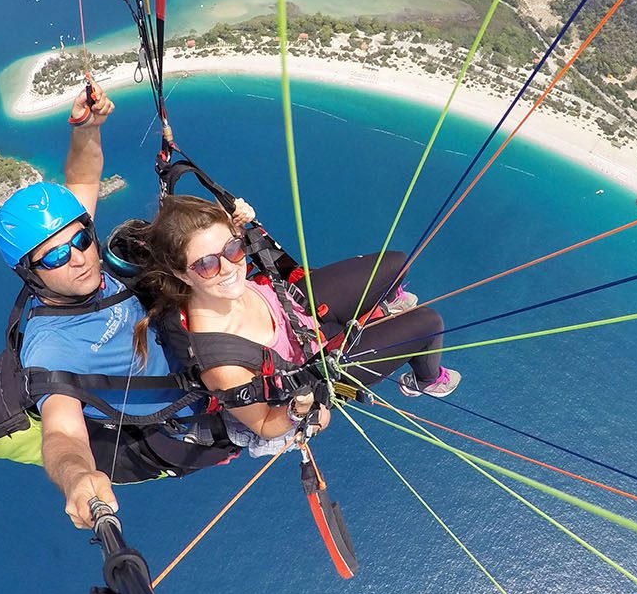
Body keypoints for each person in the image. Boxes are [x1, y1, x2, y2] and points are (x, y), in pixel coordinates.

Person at [0, 86, 232, 527]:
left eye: (81, 239)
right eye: (56, 256)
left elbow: (81, 181)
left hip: (198, 348)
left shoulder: (82, 262)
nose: (78, 255)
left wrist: (87, 129)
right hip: (198, 412)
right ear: (31, 274)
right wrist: (78, 478)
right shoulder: (50, 348)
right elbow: (62, 433)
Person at [133, 194, 460, 458]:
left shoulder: (221, 259)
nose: (228, 267)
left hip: (293, 304)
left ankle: (379, 308)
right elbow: (262, 423)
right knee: (427, 324)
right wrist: (295, 412)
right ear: (181, 274)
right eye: (205, 265)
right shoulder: (220, 362)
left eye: (233, 249)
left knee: (398, 263)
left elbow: (214, 236)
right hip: (316, 373)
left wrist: (236, 217)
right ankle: (425, 379)